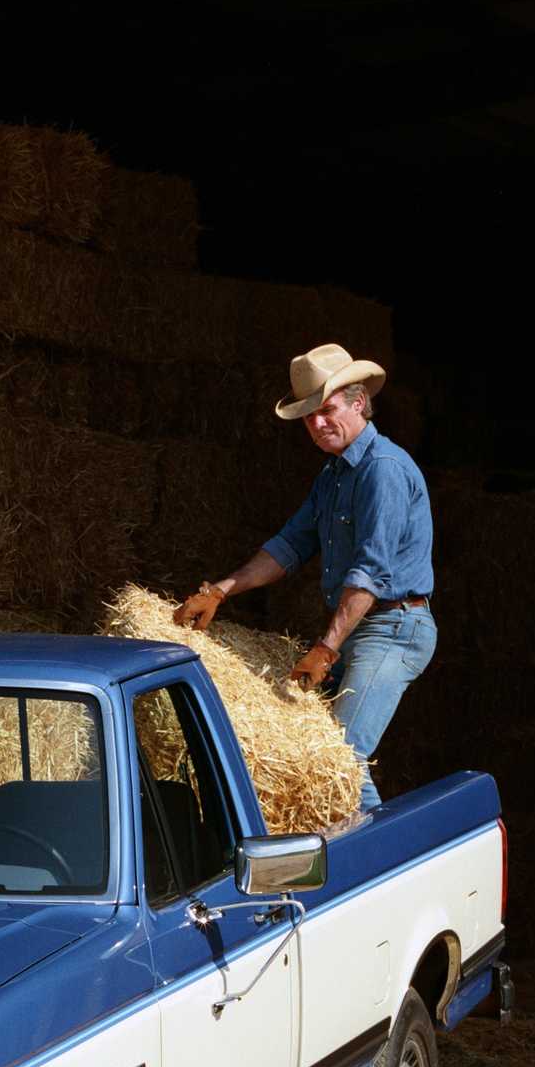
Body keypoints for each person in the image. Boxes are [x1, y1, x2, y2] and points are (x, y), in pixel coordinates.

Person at [173, 342, 436, 811]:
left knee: (338, 761)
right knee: (303, 756)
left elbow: (371, 573)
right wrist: (220, 590)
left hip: (393, 628)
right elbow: (289, 546)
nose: (316, 424)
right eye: (308, 417)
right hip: (360, 627)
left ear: (359, 404)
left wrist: (327, 647)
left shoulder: (384, 471)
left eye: (327, 410)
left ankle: (382, 867)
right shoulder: (334, 475)